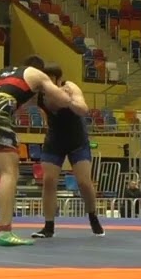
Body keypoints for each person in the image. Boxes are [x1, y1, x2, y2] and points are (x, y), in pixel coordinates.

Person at [0, 55, 85, 247]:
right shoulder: (37, 75)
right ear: (39, 69)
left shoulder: (2, 73)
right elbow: (62, 101)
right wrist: (67, 93)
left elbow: (13, 96)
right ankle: (5, 231)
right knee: (9, 172)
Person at [32, 63, 103, 238]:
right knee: (49, 181)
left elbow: (83, 109)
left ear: (58, 80)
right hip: (55, 140)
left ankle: (92, 215)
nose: (47, 83)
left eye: (50, 80)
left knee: (84, 182)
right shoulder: (40, 93)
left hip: (77, 140)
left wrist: (68, 100)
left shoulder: (70, 87)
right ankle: (49, 226)